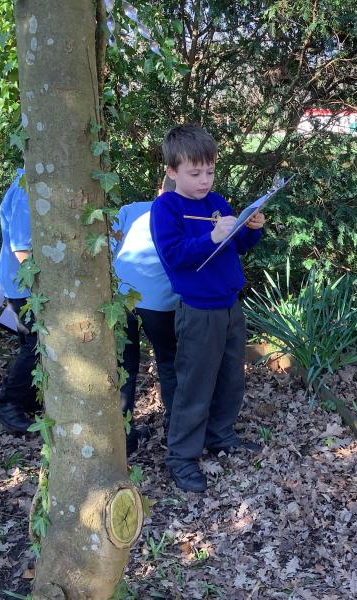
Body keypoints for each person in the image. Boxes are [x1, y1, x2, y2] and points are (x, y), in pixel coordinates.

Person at [151, 124, 266, 492]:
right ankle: (182, 458)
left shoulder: (216, 202)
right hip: (198, 311)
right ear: (172, 171)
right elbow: (174, 255)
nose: (204, 181)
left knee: (231, 377)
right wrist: (211, 236)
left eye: (210, 171)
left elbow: (238, 246)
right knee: (195, 385)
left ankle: (220, 435)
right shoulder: (166, 208)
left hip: (230, 305)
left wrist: (252, 228)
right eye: (195, 173)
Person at [112, 176, 179, 455]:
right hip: (159, 301)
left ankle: (123, 436)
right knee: (169, 361)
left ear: (159, 189)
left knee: (124, 365)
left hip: (121, 296)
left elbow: (108, 245)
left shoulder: (130, 210)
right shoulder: (184, 214)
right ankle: (176, 430)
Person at [0, 169, 38, 433]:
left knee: (30, 341)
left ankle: (28, 399)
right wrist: (41, 286)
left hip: (21, 282)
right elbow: (21, 247)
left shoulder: (32, 180)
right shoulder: (26, 187)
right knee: (37, 342)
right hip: (23, 284)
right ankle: (6, 402)